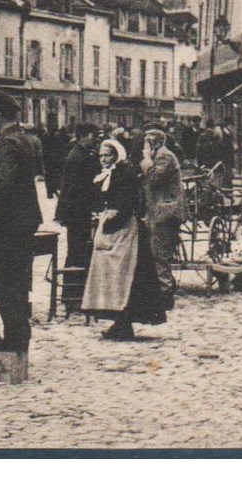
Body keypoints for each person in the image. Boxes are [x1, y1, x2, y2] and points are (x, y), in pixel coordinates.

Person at [81, 138, 169, 340]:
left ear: (116, 155)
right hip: (109, 226)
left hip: (124, 229)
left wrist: (113, 220)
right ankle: (119, 320)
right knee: (110, 275)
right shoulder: (105, 175)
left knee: (124, 274)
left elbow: (129, 202)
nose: (103, 159)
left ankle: (124, 320)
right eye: (101, 155)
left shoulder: (124, 174)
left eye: (108, 155)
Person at [0, 117, 42, 354]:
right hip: (23, 222)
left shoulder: (7, 144)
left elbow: (4, 184)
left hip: (10, 225)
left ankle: (13, 342)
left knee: (4, 283)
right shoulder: (23, 140)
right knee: (16, 282)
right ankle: (17, 339)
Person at [55, 122, 101, 303]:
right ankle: (72, 295)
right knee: (77, 252)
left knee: (77, 251)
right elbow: (79, 188)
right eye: (93, 135)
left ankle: (73, 294)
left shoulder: (79, 153)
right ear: (83, 136)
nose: (95, 138)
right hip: (77, 212)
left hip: (74, 211)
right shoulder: (79, 157)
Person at [142, 128, 184, 308]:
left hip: (165, 212)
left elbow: (153, 179)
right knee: (158, 252)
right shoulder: (161, 156)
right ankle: (164, 290)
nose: (144, 146)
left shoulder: (164, 157)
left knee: (160, 253)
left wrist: (145, 159)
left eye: (147, 143)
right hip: (159, 211)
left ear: (156, 143)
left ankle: (166, 295)